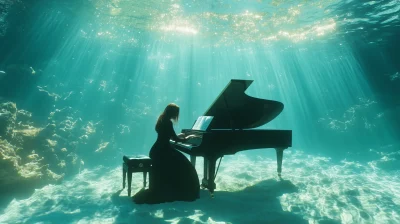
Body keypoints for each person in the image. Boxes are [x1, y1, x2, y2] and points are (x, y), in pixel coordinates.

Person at [132, 103, 200, 204]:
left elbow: (168, 136)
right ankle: (184, 190)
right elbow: (175, 138)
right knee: (186, 166)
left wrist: (179, 137)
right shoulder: (168, 122)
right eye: (176, 112)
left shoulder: (161, 120)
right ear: (172, 112)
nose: (177, 115)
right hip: (163, 151)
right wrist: (187, 138)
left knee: (180, 163)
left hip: (157, 150)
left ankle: (170, 186)